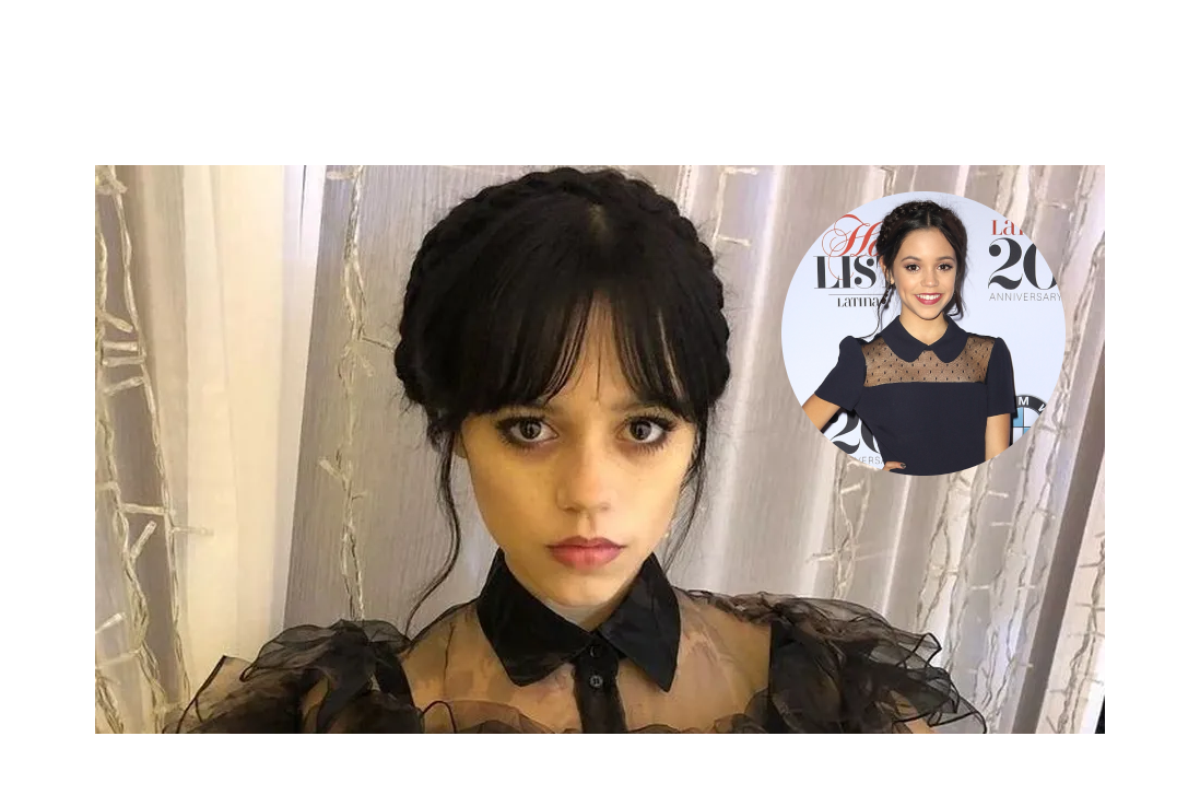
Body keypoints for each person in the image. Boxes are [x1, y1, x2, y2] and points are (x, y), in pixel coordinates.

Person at [172, 169, 985, 733]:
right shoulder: (345, 724)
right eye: (530, 428)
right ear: (455, 430)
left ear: (695, 432)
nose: (590, 491)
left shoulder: (835, 701)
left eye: (644, 429)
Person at [801, 200, 1016, 477]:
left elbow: (995, 471)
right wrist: (862, 475)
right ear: (888, 270)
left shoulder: (988, 355)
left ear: (958, 269)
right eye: (913, 267)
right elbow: (795, 435)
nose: (930, 281)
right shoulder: (864, 360)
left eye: (943, 266)